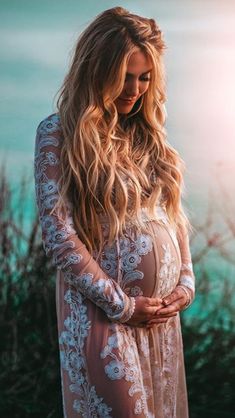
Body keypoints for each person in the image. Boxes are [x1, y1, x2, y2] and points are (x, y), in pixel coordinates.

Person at [34, 6, 195, 418]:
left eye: (144, 78)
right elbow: (59, 237)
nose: (136, 89)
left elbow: (171, 219)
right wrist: (123, 305)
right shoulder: (57, 134)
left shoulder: (149, 137)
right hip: (101, 315)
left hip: (159, 321)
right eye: (125, 76)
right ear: (96, 69)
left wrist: (185, 284)